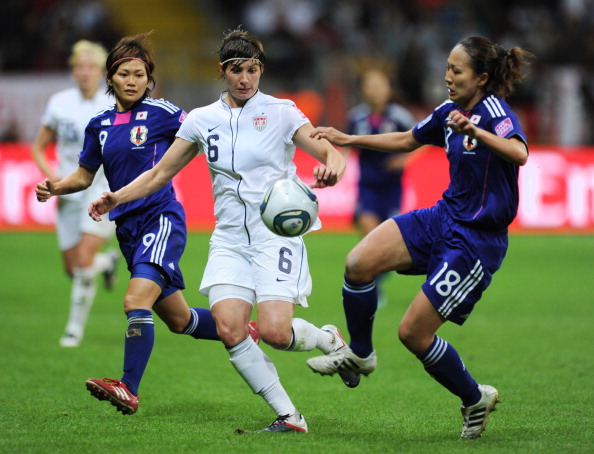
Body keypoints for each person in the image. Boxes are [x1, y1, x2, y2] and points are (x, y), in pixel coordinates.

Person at [87, 27, 352, 433]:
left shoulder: (282, 111)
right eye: (236, 71)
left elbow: (325, 149)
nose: (245, 79)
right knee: (228, 327)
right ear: (222, 72)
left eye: (252, 70)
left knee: (276, 333)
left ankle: (327, 338)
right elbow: (160, 173)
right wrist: (116, 197)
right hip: (228, 238)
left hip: (274, 234)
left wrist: (332, 163)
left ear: (261, 70)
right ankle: (290, 416)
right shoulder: (201, 119)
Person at [307, 36, 534, 439]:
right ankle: (360, 353)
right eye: (447, 67)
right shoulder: (449, 110)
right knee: (359, 263)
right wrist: (348, 138)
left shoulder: (494, 111)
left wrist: (476, 132)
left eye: (456, 70)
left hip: (476, 241)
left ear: (481, 78)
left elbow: (519, 153)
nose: (447, 77)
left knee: (413, 333)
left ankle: (473, 397)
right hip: (442, 217)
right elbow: (409, 139)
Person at [35, 32, 256, 416]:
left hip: (162, 219)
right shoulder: (99, 125)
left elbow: (207, 131)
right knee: (180, 320)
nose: (133, 80)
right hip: (127, 230)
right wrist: (54, 187)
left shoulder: (163, 113)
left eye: (140, 74)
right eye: (125, 74)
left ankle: (128, 388)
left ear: (148, 79)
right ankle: (244, 330)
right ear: (111, 79)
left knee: (135, 301)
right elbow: (85, 176)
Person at [30, 39, 119, 348]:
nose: (85, 72)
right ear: (72, 70)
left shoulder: (113, 103)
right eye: (79, 67)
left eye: (91, 67)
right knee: (72, 268)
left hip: (101, 189)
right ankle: (108, 263)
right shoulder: (59, 103)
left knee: (82, 262)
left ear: (102, 72)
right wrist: (51, 173)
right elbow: (39, 146)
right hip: (67, 191)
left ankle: (73, 330)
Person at [347, 66, 417, 305]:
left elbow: (423, 140)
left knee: (387, 239)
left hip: (391, 188)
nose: (375, 90)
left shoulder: (400, 116)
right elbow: (346, 146)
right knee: (368, 229)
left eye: (379, 84)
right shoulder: (356, 117)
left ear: (389, 88)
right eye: (370, 85)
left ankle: (377, 274)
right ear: (363, 89)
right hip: (367, 186)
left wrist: (404, 159)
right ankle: (371, 283)